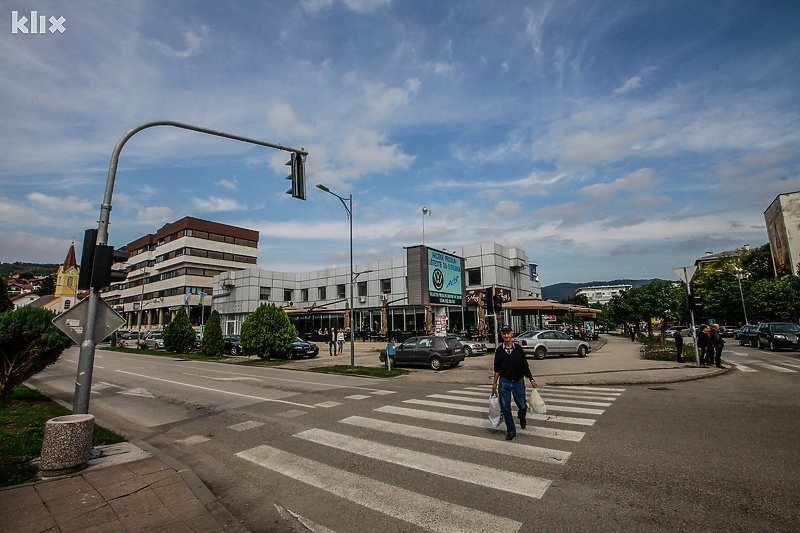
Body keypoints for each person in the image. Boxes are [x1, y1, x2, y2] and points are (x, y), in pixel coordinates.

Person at [491, 324, 537, 441]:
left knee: (522, 405)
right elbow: (497, 368)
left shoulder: (518, 349)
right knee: (505, 407)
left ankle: (522, 416)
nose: (506, 335)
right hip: (504, 382)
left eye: (508, 333)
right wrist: (494, 383)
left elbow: (525, 365)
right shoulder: (499, 351)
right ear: (501, 335)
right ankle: (511, 430)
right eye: (504, 333)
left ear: (512, 334)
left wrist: (531, 378)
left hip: (518, 382)